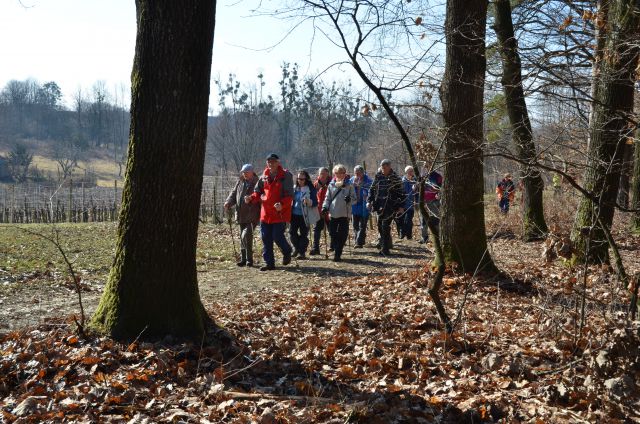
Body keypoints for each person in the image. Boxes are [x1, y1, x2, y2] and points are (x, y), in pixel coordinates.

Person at [245, 153, 294, 271]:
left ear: (278, 162)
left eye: (273, 161)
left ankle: (287, 251)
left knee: (277, 236)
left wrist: (281, 204)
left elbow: (290, 195)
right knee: (266, 238)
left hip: (279, 213)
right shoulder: (264, 176)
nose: (270, 163)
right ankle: (269, 263)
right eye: (269, 161)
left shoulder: (286, 176)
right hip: (265, 213)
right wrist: (251, 198)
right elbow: (258, 192)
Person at [224, 164, 261, 266]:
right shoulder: (240, 182)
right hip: (241, 214)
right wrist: (228, 202)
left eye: (246, 172)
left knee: (246, 235)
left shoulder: (257, 183)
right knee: (242, 236)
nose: (244, 174)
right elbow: (234, 194)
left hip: (252, 214)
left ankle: (249, 260)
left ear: (251, 172)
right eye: (243, 172)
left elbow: (261, 197)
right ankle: (244, 259)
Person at [367, 159, 404, 256]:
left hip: (391, 206)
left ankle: (385, 249)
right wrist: (369, 201)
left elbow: (402, 193)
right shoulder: (378, 176)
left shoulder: (395, 178)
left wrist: (401, 206)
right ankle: (386, 243)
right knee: (380, 226)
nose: (383, 170)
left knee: (385, 226)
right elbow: (372, 189)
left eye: (385, 168)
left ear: (389, 167)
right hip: (379, 205)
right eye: (382, 168)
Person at [322, 164, 356, 262]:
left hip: (345, 213)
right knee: (332, 233)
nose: (339, 175)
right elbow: (327, 198)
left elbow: (355, 199)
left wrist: (349, 199)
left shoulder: (349, 185)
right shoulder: (331, 184)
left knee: (343, 234)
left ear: (345, 174)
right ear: (334, 174)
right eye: (337, 173)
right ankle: (337, 248)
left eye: (342, 173)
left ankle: (338, 253)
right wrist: (325, 207)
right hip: (333, 213)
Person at [289, 170, 318, 259]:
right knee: (292, 233)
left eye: (302, 179)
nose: (300, 180)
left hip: (305, 215)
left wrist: (309, 201)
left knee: (303, 234)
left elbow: (315, 202)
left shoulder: (310, 189)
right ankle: (297, 248)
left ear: (306, 179)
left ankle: (302, 252)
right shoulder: (294, 188)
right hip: (294, 215)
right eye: (298, 178)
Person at [309, 167, 331, 256]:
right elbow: (312, 197)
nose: (322, 175)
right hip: (318, 210)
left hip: (329, 210)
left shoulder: (332, 184)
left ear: (327, 174)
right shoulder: (315, 185)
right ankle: (316, 248)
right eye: (321, 173)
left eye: (324, 173)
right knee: (317, 229)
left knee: (331, 229)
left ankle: (333, 246)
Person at [350, 165, 372, 248]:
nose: (357, 174)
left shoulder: (368, 181)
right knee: (355, 225)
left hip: (364, 206)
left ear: (363, 172)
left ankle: (358, 242)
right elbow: (348, 189)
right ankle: (359, 240)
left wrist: (367, 196)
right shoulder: (351, 180)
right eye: (355, 173)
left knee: (362, 225)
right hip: (355, 206)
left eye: (358, 173)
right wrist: (353, 186)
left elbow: (371, 191)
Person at [419, 169, 442, 244]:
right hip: (423, 202)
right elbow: (418, 187)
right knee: (423, 221)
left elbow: (441, 188)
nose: (426, 167)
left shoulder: (438, 177)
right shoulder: (422, 176)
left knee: (435, 220)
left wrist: (439, 195)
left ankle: (437, 238)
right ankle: (424, 237)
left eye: (428, 164)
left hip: (434, 202)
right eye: (425, 166)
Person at [396, 165, 417, 240]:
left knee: (409, 220)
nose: (411, 173)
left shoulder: (415, 181)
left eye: (412, 171)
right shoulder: (402, 181)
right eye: (410, 171)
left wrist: (416, 189)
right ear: (406, 172)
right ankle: (402, 234)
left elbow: (417, 193)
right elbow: (399, 193)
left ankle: (409, 235)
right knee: (402, 220)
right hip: (403, 205)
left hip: (411, 205)